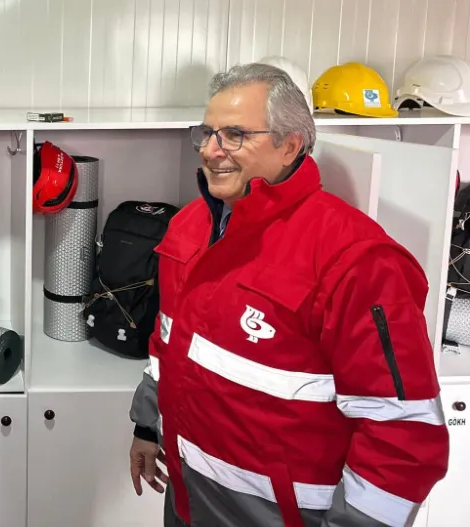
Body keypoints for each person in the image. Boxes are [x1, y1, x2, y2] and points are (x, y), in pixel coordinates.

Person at [127, 62, 450, 527]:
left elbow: (403, 436)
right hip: (188, 503)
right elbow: (169, 342)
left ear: (290, 145)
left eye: (234, 135)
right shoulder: (188, 227)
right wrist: (146, 424)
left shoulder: (356, 260)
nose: (211, 151)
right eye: (207, 133)